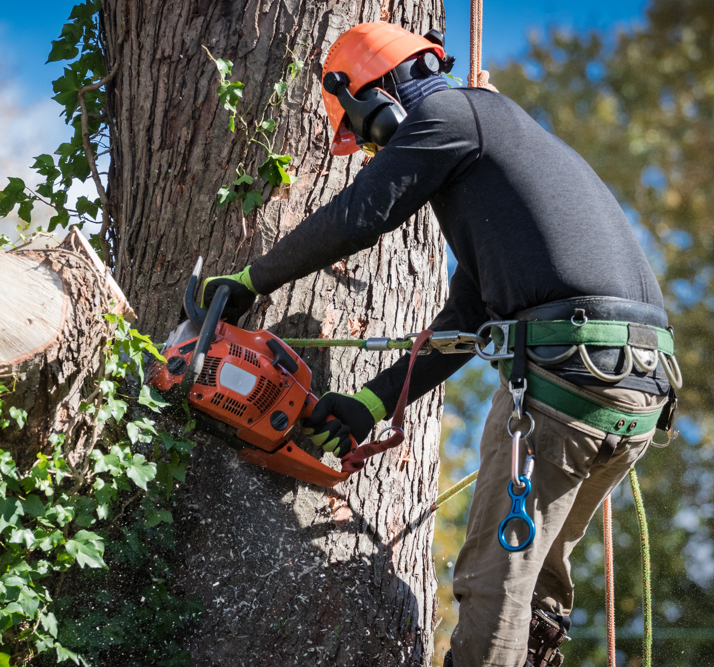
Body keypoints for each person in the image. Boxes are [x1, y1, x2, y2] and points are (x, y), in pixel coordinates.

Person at [202, 22, 678, 667]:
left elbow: (361, 216)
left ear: (377, 95)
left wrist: (249, 280)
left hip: (568, 380)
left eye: (365, 133)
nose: (375, 153)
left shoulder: (455, 112)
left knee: (492, 585)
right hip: (636, 390)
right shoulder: (498, 159)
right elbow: (466, 322)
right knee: (536, 587)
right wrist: (368, 405)